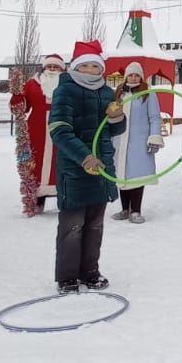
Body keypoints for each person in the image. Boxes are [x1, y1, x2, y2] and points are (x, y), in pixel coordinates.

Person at [48, 41, 126, 292]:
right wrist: (84, 157)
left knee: (95, 225)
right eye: (86, 65)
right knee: (72, 226)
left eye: (96, 66)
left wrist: (117, 119)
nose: (91, 70)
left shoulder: (105, 91)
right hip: (75, 169)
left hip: (101, 168)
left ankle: (90, 272)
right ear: (75, 67)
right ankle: (68, 276)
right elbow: (59, 131)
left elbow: (111, 131)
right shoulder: (66, 91)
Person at [9, 54, 66, 211]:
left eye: (56, 67)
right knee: (36, 162)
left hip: (61, 126)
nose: (52, 69)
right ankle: (37, 200)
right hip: (37, 128)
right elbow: (22, 108)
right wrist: (17, 96)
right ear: (44, 68)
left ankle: (63, 198)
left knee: (61, 161)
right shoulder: (33, 84)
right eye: (49, 66)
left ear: (62, 69)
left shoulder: (67, 84)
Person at [110, 62, 164, 223]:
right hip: (120, 140)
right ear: (126, 76)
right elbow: (111, 116)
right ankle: (125, 209)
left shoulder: (147, 94)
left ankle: (136, 211)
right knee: (122, 175)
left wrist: (154, 137)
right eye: (131, 75)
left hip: (138, 142)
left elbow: (154, 118)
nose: (133, 77)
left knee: (137, 175)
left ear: (141, 77)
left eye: (137, 75)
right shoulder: (119, 93)